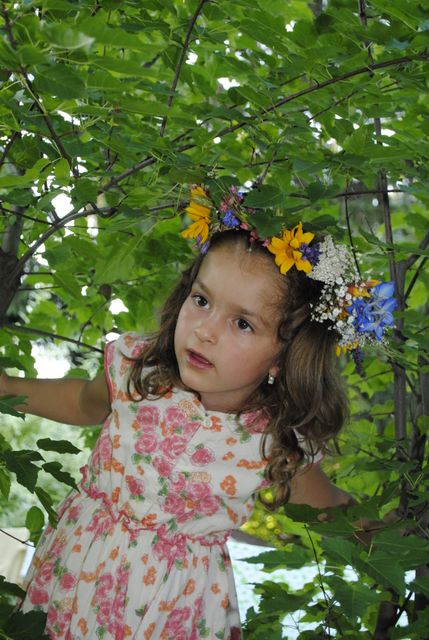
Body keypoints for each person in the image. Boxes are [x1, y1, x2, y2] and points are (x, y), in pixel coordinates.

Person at [0, 185, 396, 640]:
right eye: (202, 300)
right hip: (76, 573)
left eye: (242, 323)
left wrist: (385, 533)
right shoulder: (137, 371)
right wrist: (8, 388)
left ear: (283, 358)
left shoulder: (273, 440)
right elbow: (80, 402)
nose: (205, 331)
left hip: (174, 608)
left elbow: (330, 511)